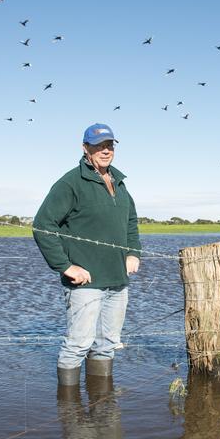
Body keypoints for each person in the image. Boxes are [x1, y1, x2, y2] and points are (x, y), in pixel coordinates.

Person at [33, 123, 141, 387]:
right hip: (85, 282)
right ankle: (69, 415)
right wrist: (66, 266)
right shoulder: (70, 182)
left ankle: (103, 409)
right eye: (98, 146)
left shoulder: (120, 182)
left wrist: (132, 253)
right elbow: (43, 225)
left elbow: (130, 221)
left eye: (109, 145)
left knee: (106, 345)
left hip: (118, 280)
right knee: (78, 345)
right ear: (85, 148)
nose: (105, 151)